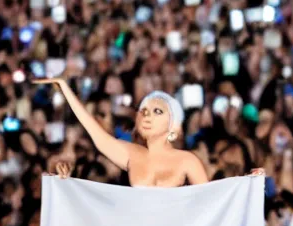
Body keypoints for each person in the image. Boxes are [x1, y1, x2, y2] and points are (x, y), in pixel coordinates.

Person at [34, 79, 264, 185]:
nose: (147, 115)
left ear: (173, 126)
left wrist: (246, 189)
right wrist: (67, 186)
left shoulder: (187, 160)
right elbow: (95, 132)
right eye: (143, 110)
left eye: (157, 111)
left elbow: (208, 204)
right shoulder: (130, 154)